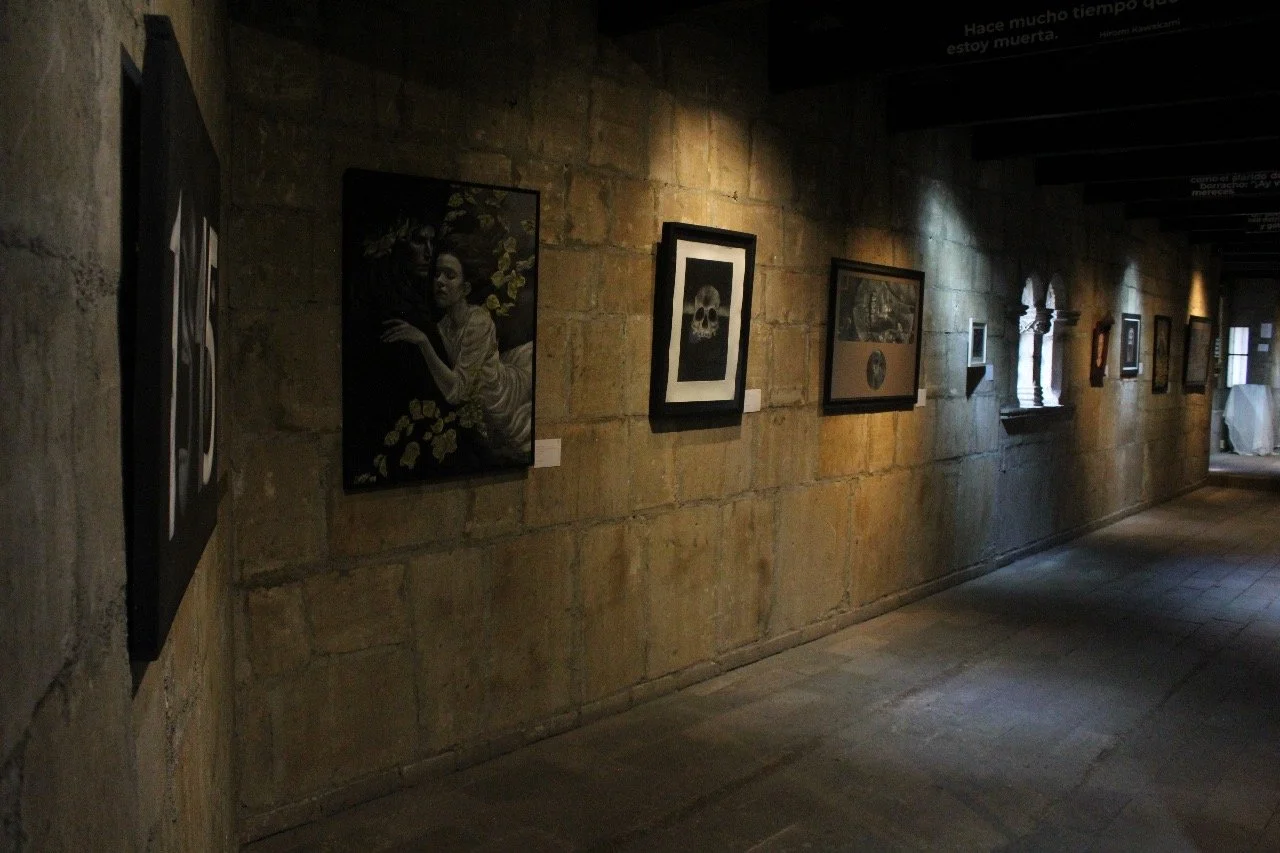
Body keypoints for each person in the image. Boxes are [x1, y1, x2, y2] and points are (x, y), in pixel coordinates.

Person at [380, 250, 532, 459]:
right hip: (482, 403)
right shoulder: (443, 326)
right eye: (437, 274)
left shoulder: (478, 321)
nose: (439, 281)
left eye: (449, 276)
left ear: (466, 288)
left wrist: (423, 342)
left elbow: (457, 391)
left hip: (504, 399)